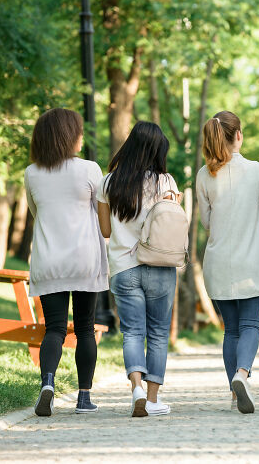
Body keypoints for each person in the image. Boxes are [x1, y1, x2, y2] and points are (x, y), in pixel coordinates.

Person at [25, 108, 109, 416]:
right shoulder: (89, 169)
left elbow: (37, 212)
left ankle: (48, 382)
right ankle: (83, 398)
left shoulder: (32, 172)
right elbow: (103, 215)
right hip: (84, 259)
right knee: (85, 328)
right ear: (67, 135)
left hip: (49, 261)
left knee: (55, 328)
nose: (82, 137)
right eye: (79, 132)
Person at [197, 111, 259, 414]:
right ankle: (242, 374)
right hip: (252, 263)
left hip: (219, 261)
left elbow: (206, 221)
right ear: (238, 136)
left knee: (230, 330)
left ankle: (234, 395)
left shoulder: (205, 175)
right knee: (250, 326)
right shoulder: (256, 171)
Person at [97, 121, 180, 417]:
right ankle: (154, 400)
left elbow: (106, 230)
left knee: (132, 332)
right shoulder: (166, 182)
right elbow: (172, 225)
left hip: (123, 267)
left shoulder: (108, 182)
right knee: (157, 333)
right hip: (159, 265)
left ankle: (136, 390)